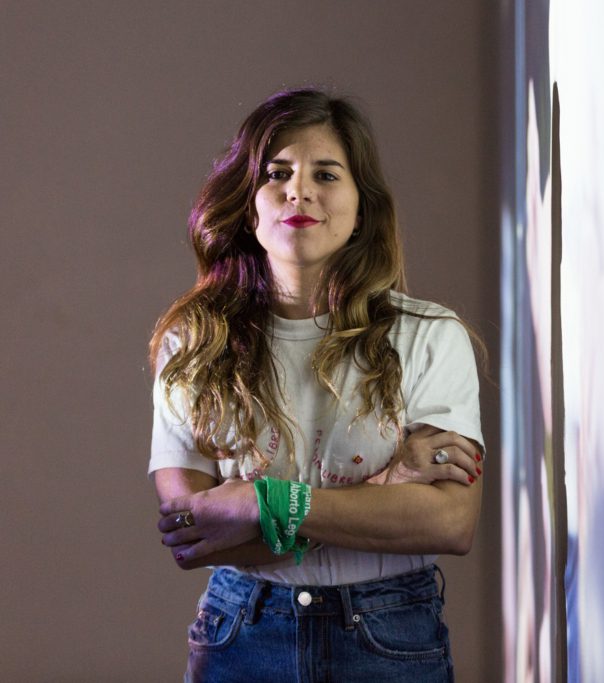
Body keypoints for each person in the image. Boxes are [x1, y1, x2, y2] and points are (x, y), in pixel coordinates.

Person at [148, 88, 485, 682]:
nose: (298, 191)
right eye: (277, 173)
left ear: (362, 208)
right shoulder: (194, 342)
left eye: (325, 174)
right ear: (248, 204)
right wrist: (384, 489)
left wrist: (261, 502)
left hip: (390, 636)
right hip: (239, 634)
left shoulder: (430, 335)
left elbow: (449, 523)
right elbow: (193, 535)